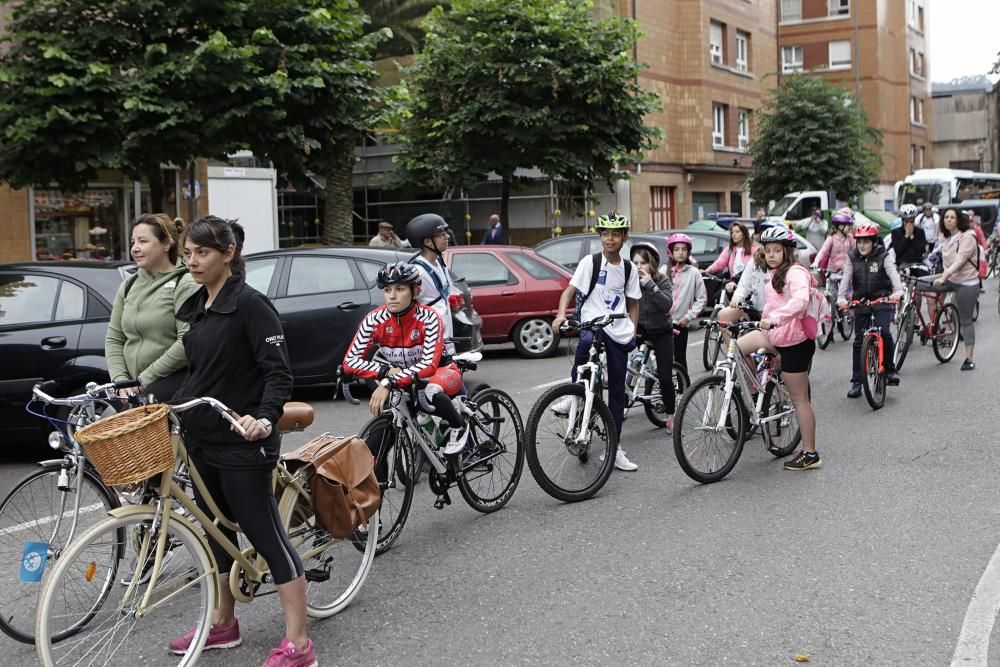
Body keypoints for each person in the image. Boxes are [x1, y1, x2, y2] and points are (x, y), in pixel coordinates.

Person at [168, 216, 313, 666]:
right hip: (202, 439)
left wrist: (264, 421)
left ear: (227, 253)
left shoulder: (251, 304)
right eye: (188, 253)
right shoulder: (197, 306)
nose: (192, 261)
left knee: (265, 535)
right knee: (216, 535)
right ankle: (223, 624)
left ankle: (300, 644)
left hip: (244, 442)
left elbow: (278, 372)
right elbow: (197, 373)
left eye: (202, 253)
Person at [343, 262, 469, 453]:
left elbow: (428, 365)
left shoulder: (429, 317)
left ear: (415, 291)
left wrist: (388, 382)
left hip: (441, 372)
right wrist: (384, 371)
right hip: (402, 377)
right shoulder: (374, 320)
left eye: (400, 289)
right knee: (385, 422)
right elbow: (350, 361)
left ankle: (458, 426)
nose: (392, 296)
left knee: (430, 391)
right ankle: (379, 478)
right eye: (387, 289)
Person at [551, 213, 642, 472]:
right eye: (605, 234)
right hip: (593, 323)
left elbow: (633, 303)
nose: (610, 239)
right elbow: (568, 292)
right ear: (600, 236)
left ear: (624, 237)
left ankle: (615, 449)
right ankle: (574, 393)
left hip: (619, 329)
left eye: (615, 234)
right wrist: (560, 314)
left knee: (616, 389)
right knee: (584, 343)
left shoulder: (628, 268)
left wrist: (633, 330)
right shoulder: (590, 263)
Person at [735, 225, 821, 471]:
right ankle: (753, 391)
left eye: (777, 250)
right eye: (768, 250)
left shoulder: (796, 272)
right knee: (735, 349)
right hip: (773, 335)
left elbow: (800, 300)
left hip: (795, 341)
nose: (771, 254)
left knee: (799, 400)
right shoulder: (771, 272)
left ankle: (810, 453)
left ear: (787, 252)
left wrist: (777, 317)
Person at [105, 213, 198, 401]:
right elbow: (114, 338)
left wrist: (144, 379)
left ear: (166, 244)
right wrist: (121, 382)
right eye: (133, 242)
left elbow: (186, 342)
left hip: (172, 385)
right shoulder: (129, 285)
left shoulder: (186, 283)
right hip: (133, 388)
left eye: (143, 241)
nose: (135, 248)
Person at [837, 222, 904, 398]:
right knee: (859, 341)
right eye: (859, 242)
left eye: (866, 242)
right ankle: (857, 381)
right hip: (861, 301)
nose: (862, 245)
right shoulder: (852, 257)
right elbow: (846, 278)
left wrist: (898, 292)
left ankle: (890, 370)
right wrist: (841, 297)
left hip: (882, 299)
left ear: (874, 242)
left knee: (885, 333)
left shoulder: (883, 256)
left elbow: (893, 274)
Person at [630, 241, 676, 432]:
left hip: (662, 332)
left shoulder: (662, 280)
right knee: (625, 369)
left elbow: (666, 305)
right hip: (640, 330)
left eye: (643, 263)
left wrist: (650, 284)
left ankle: (671, 415)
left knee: (665, 378)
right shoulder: (630, 281)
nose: (638, 267)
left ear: (652, 264)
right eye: (635, 263)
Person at [933, 208, 980, 371]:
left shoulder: (968, 237)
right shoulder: (944, 237)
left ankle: (969, 358)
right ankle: (933, 329)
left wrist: (942, 278)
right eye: (946, 217)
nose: (949, 220)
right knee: (922, 288)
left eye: (952, 217)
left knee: (965, 320)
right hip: (950, 279)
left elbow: (959, 262)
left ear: (959, 220)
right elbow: (937, 255)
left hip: (967, 282)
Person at [406, 213, 456, 355]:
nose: (447, 237)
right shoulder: (417, 272)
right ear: (428, 242)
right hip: (430, 348)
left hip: (446, 344)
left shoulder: (439, 263)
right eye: (441, 234)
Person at [666, 233, 706, 372]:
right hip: (663, 322)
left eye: (684, 249)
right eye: (677, 249)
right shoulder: (663, 271)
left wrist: (688, 317)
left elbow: (701, 299)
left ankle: (684, 389)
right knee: (662, 358)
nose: (681, 252)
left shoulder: (694, 273)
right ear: (670, 251)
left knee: (680, 359)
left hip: (680, 323)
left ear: (688, 252)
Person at [703, 221, 758, 307]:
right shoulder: (729, 250)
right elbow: (718, 264)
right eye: (732, 232)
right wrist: (706, 271)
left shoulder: (754, 250)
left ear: (744, 234)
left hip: (749, 286)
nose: (734, 234)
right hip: (733, 285)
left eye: (737, 232)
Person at [812, 208, 856, 294]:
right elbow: (822, 251)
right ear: (840, 226)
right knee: (832, 295)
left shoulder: (850, 238)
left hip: (846, 273)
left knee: (847, 295)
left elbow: (856, 252)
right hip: (832, 273)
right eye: (848, 226)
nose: (850, 228)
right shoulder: (831, 239)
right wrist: (816, 262)